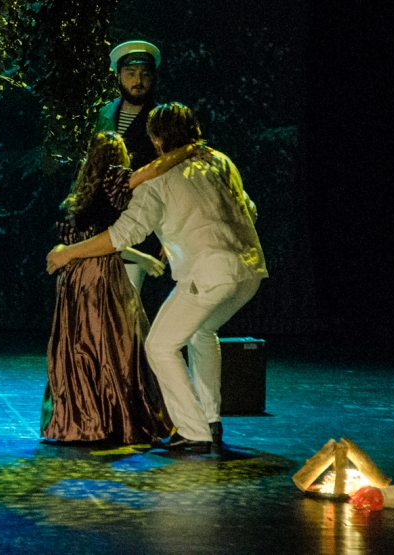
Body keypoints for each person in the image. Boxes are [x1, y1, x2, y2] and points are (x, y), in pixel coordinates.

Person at [47, 103, 267, 453]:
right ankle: (211, 418)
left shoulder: (158, 180)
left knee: (159, 346)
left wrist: (68, 253)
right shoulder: (221, 161)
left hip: (209, 273)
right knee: (202, 331)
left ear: (156, 140)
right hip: (249, 271)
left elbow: (121, 235)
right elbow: (248, 209)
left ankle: (194, 431)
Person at [42, 131, 206, 445]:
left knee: (81, 345)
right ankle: (110, 418)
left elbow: (95, 237)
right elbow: (152, 171)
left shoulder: (84, 191)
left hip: (75, 276)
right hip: (100, 273)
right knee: (112, 345)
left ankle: (84, 419)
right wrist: (188, 148)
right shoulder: (113, 180)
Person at [94, 41, 162, 290]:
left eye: (145, 74)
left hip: (139, 223)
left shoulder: (161, 119)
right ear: (119, 76)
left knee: (127, 301)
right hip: (99, 223)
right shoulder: (103, 114)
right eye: (131, 73)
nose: (138, 81)